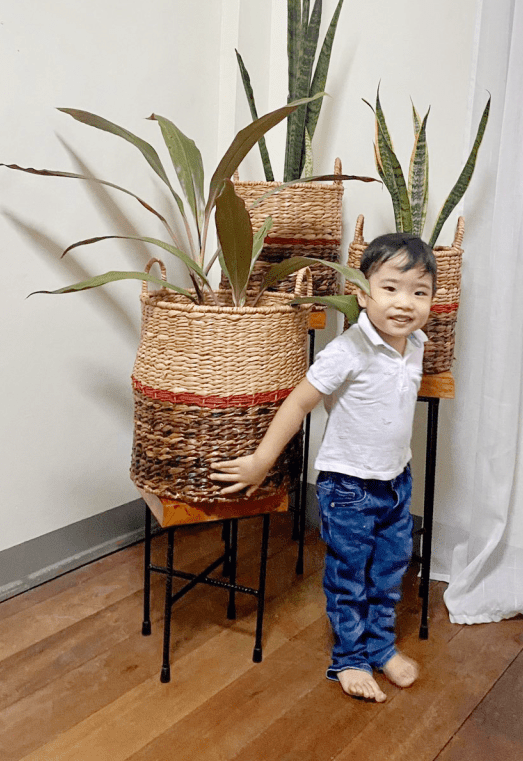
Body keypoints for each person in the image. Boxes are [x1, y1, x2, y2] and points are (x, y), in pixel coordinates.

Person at [211, 232, 436, 703]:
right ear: (361, 292)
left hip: (396, 481)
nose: (405, 303)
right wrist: (259, 461)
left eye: (420, 291)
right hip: (349, 487)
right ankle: (350, 659)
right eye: (391, 287)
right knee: (350, 575)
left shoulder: (415, 343)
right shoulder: (347, 350)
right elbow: (298, 404)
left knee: (390, 570)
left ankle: (380, 647)